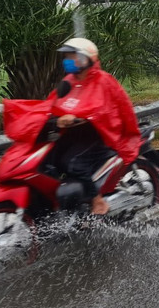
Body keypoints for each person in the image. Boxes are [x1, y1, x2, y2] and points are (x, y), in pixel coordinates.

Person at [48, 38, 141, 215]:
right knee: (50, 161)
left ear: (85, 58)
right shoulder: (69, 80)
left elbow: (101, 109)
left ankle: (98, 202)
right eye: (66, 56)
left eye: (72, 56)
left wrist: (79, 116)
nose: (67, 60)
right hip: (75, 134)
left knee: (73, 163)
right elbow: (54, 102)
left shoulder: (103, 81)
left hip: (100, 135)